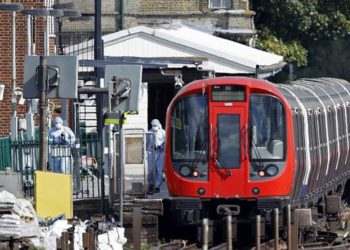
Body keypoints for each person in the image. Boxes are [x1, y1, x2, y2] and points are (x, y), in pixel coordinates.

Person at [147, 119, 166, 194]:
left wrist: (162, 146)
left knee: (159, 170)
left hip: (160, 152)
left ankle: (157, 186)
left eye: (155, 126)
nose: (154, 127)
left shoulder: (163, 132)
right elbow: (147, 142)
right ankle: (151, 184)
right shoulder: (149, 132)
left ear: (159, 125)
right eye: (153, 126)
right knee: (151, 169)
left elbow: (167, 141)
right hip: (151, 151)